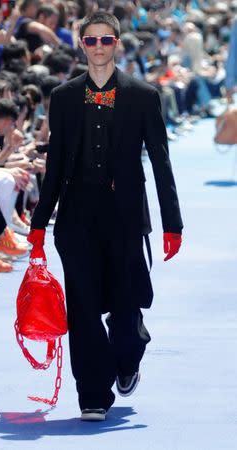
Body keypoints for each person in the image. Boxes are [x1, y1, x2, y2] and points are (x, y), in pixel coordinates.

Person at [27, 10, 183, 421]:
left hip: (126, 216)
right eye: (90, 40)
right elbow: (56, 165)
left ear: (117, 43)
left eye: (106, 40)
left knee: (127, 302)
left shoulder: (143, 95)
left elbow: (161, 164)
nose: (98, 47)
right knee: (83, 305)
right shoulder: (62, 98)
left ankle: (129, 354)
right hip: (77, 216)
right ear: (82, 45)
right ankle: (93, 393)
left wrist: (173, 224)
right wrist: (39, 224)